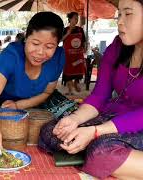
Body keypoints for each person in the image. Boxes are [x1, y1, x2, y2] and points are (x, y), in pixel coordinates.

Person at [39, 0, 143, 179]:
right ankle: (107, 155)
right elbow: (100, 95)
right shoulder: (117, 47)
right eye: (119, 14)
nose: (119, 21)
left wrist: (95, 132)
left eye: (128, 14)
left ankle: (99, 154)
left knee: (101, 152)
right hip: (114, 118)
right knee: (53, 131)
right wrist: (74, 119)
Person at [0, 12, 65, 152]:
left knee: (69, 123)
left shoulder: (59, 57)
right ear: (26, 37)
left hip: (41, 100)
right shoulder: (11, 55)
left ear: (57, 45)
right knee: (5, 128)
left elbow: (48, 92)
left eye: (49, 47)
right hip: (7, 104)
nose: (40, 52)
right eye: (35, 43)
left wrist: (19, 105)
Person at [62, 12, 86, 95]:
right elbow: (61, 40)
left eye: (77, 18)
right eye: (75, 18)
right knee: (67, 72)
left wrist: (84, 49)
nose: (76, 19)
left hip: (78, 55)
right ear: (70, 19)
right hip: (68, 55)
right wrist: (68, 33)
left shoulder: (80, 29)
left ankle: (76, 83)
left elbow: (83, 42)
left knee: (78, 72)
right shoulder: (65, 29)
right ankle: (70, 89)